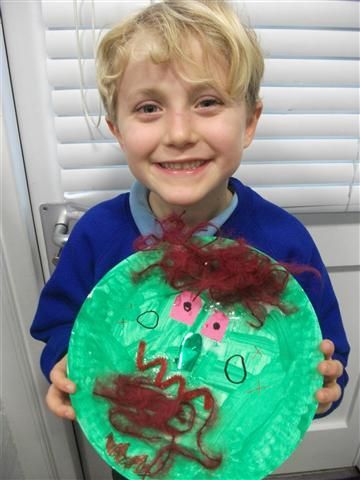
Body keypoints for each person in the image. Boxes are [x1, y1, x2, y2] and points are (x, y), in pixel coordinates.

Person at [30, 1, 350, 479]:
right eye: (149, 107)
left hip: (231, 456)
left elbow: (322, 353)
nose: (179, 133)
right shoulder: (98, 234)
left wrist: (321, 386)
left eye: (207, 102)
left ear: (249, 122)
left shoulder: (284, 242)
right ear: (118, 131)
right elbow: (59, 323)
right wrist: (64, 362)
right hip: (140, 454)